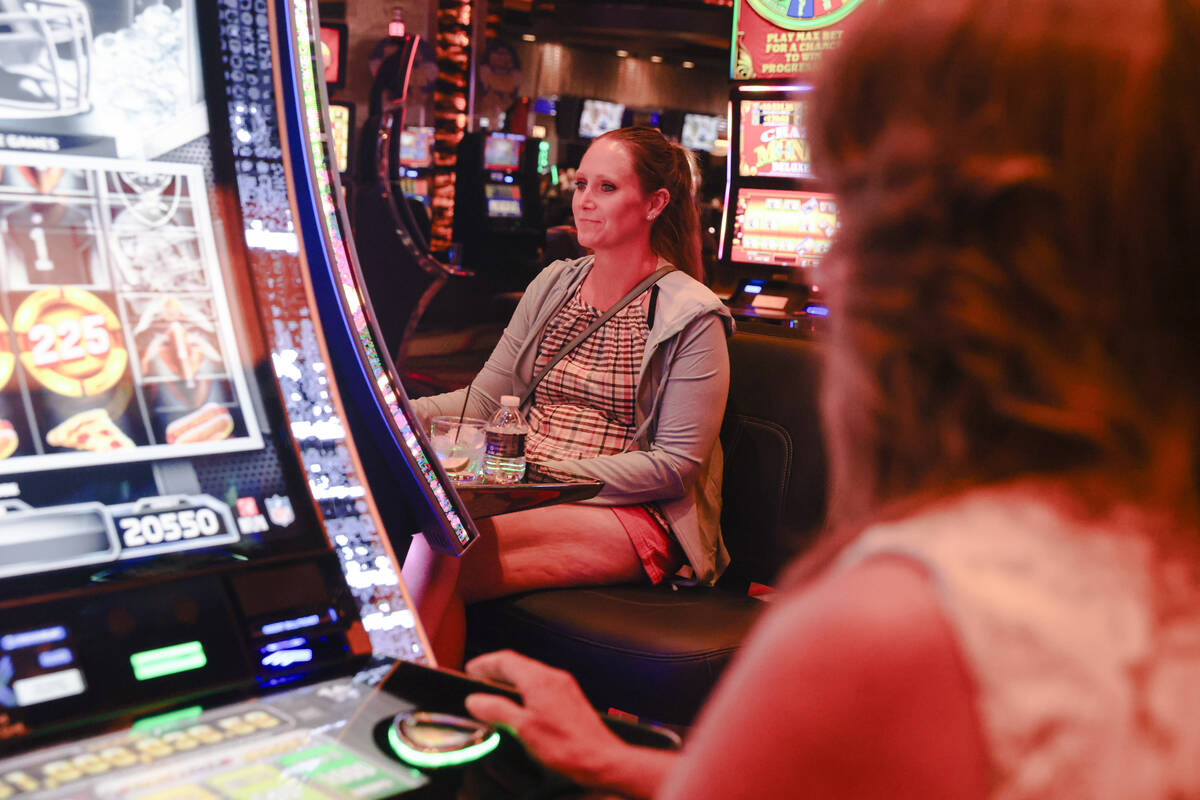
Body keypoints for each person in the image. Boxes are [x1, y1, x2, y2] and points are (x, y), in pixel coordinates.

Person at [459, 0, 1200, 797]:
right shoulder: (1155, 549)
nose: (825, 270)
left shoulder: (898, 620)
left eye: (859, 211)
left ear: (943, 273)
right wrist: (619, 759)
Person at [404, 126, 733, 667]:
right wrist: (391, 414)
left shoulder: (691, 315)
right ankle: (434, 719)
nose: (584, 200)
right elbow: (485, 400)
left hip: (629, 510)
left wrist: (550, 482)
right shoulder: (554, 283)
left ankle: (396, 714)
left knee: (447, 544)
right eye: (582, 184)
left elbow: (675, 466)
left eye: (607, 187)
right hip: (522, 488)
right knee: (414, 525)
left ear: (654, 203)